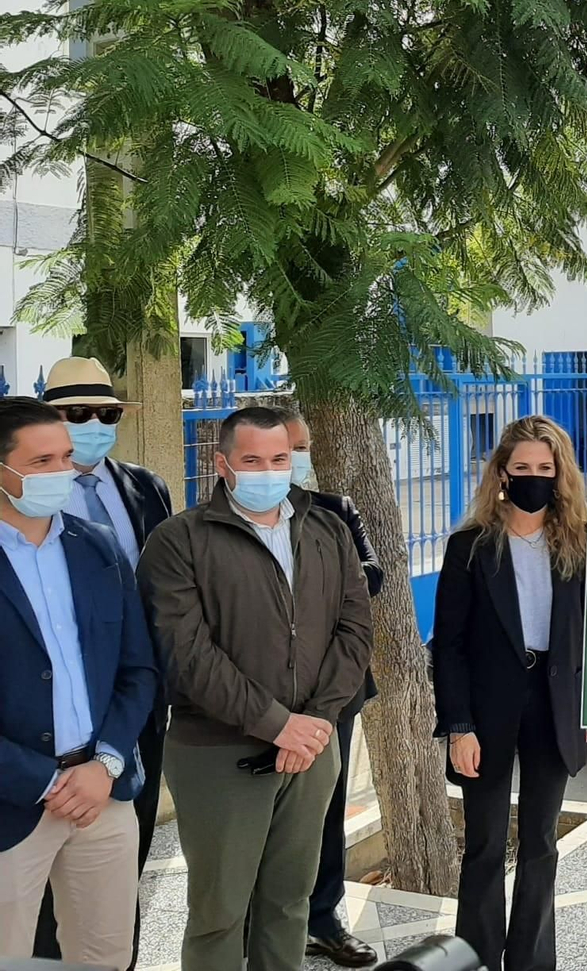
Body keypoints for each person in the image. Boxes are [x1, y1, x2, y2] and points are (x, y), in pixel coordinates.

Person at [138, 405, 373, 971]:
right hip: (219, 753)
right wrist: (279, 725)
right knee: (220, 912)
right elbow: (187, 655)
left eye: (279, 458)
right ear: (222, 464)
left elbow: (354, 629)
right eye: (252, 460)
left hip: (312, 749)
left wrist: (316, 721)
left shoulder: (327, 530)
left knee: (289, 904)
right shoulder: (179, 540)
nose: (269, 471)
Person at [0, 396, 158, 968]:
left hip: (101, 794)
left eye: (65, 458)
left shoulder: (97, 546)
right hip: (11, 801)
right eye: (41, 462)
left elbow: (138, 668)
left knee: (104, 956)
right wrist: (44, 781)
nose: (62, 472)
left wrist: (106, 762)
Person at [432, 415, 587, 971]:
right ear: (501, 472)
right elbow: (448, 645)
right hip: (486, 708)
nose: (534, 477)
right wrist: (458, 726)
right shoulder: (469, 547)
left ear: (560, 474)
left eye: (545, 468)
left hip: (554, 702)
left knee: (542, 841)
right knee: (484, 843)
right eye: (522, 467)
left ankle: (531, 961)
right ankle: (475, 959)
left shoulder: (580, 545)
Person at [34, 355, 173, 969]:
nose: (94, 425)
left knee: (124, 846)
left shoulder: (145, 486)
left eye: (107, 414)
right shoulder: (30, 498)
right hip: (53, 708)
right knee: (44, 865)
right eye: (78, 413)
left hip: (138, 696)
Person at [282, 409, 385, 968]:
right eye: (289, 445)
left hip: (332, 693)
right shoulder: (216, 522)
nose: (297, 457)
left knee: (326, 808)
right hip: (261, 699)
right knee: (261, 815)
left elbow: (372, 577)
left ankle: (323, 919)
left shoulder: (335, 510)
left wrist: (324, 575)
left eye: (302, 447)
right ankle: (259, 921)